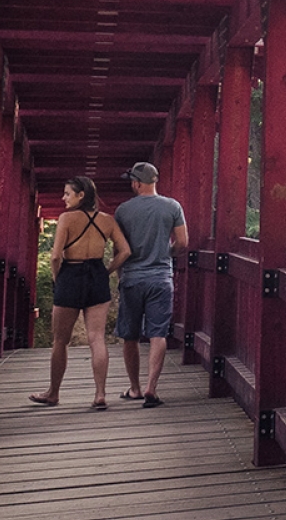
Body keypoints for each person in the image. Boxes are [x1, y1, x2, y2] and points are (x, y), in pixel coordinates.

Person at [32, 175, 127, 410]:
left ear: (80, 195)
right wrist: (106, 271)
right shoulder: (107, 220)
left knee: (60, 340)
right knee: (97, 338)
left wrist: (58, 278)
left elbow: (55, 256)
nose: (63, 198)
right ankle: (100, 394)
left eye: (67, 193)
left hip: (70, 275)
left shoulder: (66, 218)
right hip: (96, 274)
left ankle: (53, 393)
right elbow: (125, 251)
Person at [111, 160, 188, 408]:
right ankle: (151, 388)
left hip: (133, 278)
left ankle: (134, 388)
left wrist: (118, 274)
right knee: (158, 333)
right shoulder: (172, 206)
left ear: (136, 182)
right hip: (161, 278)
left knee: (130, 336)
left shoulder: (123, 211)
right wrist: (167, 254)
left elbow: (119, 249)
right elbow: (183, 242)